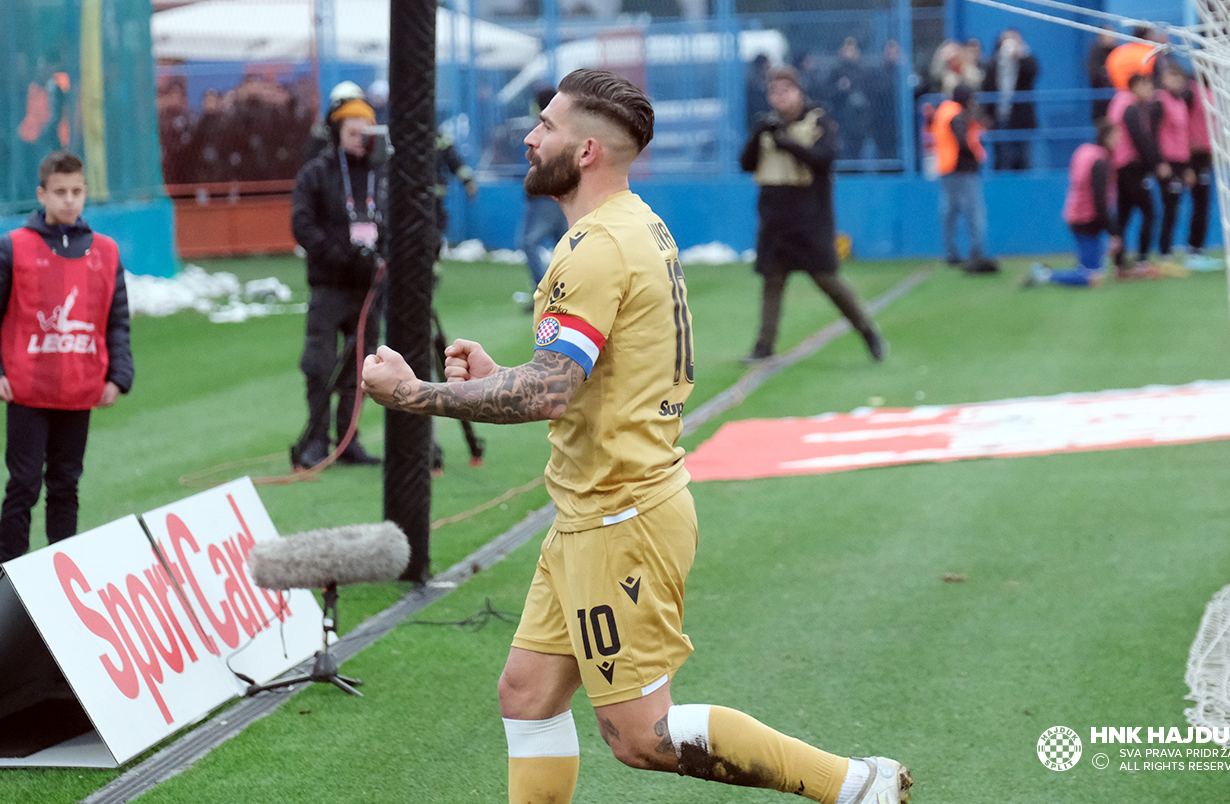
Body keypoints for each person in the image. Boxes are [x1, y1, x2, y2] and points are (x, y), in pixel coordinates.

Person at [362, 68, 912, 804]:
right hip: (598, 511)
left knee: (643, 738)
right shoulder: (633, 222)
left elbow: (552, 390)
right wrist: (491, 376)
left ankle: (854, 788)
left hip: (620, 519)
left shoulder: (593, 249)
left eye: (547, 126)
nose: (529, 138)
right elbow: (581, 378)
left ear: (587, 150)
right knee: (527, 694)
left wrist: (415, 393)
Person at [0, 151, 134, 565]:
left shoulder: (106, 252)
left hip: (78, 390)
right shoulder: (12, 248)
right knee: (23, 483)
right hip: (27, 390)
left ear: (85, 193)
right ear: (42, 194)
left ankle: (60, 569)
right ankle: (9, 571)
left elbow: (117, 319)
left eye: (76, 192)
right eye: (60, 192)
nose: (69, 200)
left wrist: (118, 375)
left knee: (66, 483)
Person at [740, 65, 886, 364]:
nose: (779, 98)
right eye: (774, 92)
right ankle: (763, 346)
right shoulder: (766, 126)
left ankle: (867, 330)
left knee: (828, 280)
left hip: (809, 215)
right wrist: (758, 135)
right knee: (772, 280)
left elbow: (823, 160)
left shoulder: (819, 121)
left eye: (786, 91)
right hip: (774, 214)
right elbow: (746, 164)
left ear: (798, 91)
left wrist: (788, 144)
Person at [291, 90, 386, 467]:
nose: (361, 140)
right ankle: (316, 439)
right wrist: (339, 256)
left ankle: (348, 440)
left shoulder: (383, 173)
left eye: (366, 132)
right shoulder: (316, 173)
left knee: (361, 368)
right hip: (330, 284)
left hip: (369, 288)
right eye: (352, 132)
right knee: (319, 364)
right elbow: (302, 224)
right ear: (336, 133)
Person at [1026, 119, 1121, 288]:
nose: (1119, 140)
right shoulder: (1100, 161)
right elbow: (1100, 199)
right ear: (1107, 138)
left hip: (1076, 214)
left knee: (1092, 269)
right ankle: (1044, 275)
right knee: (1092, 276)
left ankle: (1047, 274)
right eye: (1116, 136)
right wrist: (1112, 231)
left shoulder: (1085, 152)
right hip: (1087, 219)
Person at [931, 85, 997, 272]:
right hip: (962, 168)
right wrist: (975, 154)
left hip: (946, 167)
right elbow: (963, 140)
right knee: (973, 211)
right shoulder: (957, 114)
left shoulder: (944, 110)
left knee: (950, 211)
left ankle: (951, 253)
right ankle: (976, 251)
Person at [1109, 73, 1164, 275]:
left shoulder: (1118, 101)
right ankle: (1142, 261)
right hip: (1132, 167)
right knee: (1150, 213)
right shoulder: (1131, 107)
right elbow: (1139, 138)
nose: (1151, 91)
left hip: (1119, 166)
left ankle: (1119, 263)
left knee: (1123, 215)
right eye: (1148, 86)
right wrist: (1157, 163)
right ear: (1137, 86)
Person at [518, 84, 568, 295]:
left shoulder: (545, 127)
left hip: (545, 197)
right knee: (566, 246)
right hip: (561, 196)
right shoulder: (565, 126)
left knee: (529, 243)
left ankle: (546, 292)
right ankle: (568, 290)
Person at [981, 28, 1039, 171]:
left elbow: (1033, 73)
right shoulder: (992, 63)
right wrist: (987, 115)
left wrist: (1020, 55)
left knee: (1023, 159)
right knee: (1002, 159)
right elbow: (986, 88)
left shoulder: (1026, 60)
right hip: (999, 118)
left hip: (1021, 118)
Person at [1155, 66, 1197, 261]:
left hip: (1181, 161)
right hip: (1168, 161)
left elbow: (1184, 135)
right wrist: (1160, 161)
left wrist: (1188, 166)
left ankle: (1168, 249)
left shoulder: (1180, 101)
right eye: (1172, 77)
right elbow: (1154, 132)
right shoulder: (1160, 101)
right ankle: (1164, 251)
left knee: (1176, 206)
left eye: (1179, 78)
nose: (1176, 82)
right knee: (1169, 205)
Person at [1185, 75, 1221, 270]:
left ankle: (1197, 249)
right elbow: (1184, 120)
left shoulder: (1210, 92)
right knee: (1199, 203)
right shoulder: (1191, 91)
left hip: (1206, 154)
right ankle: (1193, 252)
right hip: (1194, 155)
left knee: (1204, 204)